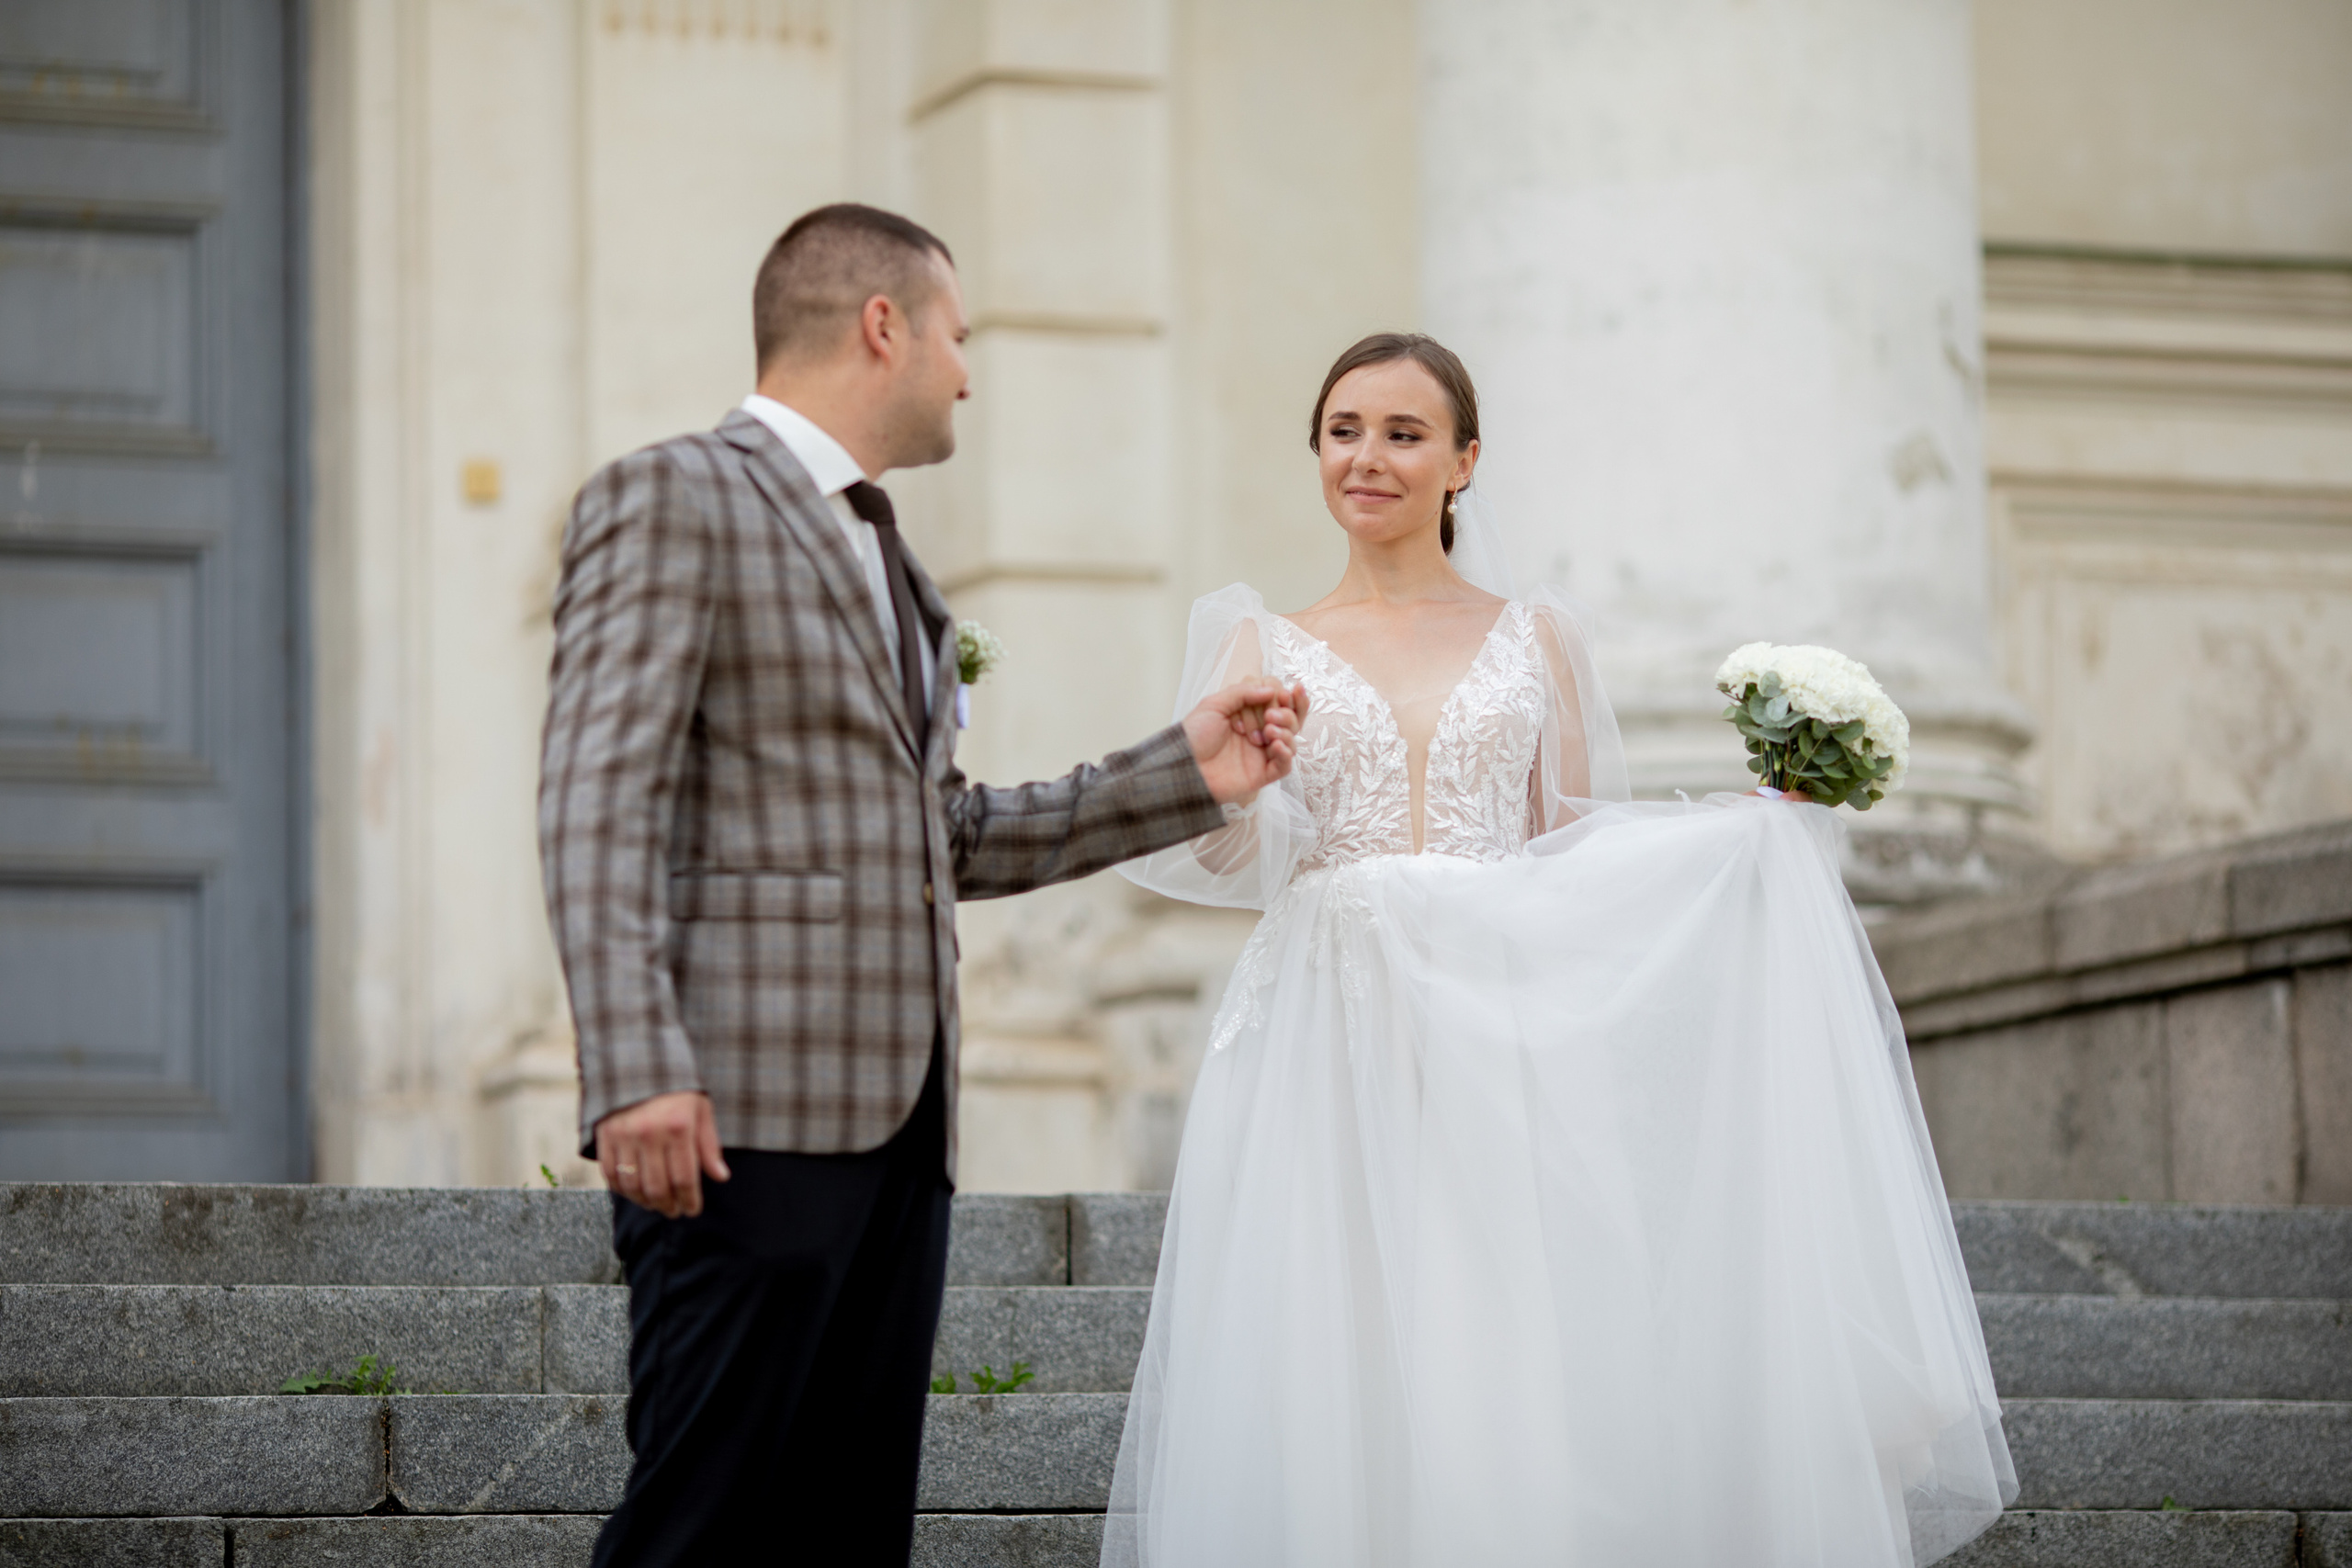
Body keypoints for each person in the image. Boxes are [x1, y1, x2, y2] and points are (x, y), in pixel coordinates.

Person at [1102, 333, 2018, 1567]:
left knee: (1504, 1346)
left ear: (1465, 461)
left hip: (1498, 1030)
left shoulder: (1539, 639)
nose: (1367, 457)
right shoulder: (1259, 645)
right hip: (1331, 1028)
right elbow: (1223, 864)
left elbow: (1568, 857)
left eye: (1404, 433)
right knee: (1339, 1347)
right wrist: (1234, 788)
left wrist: (1745, 843)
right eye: (1343, 429)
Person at [537, 202, 1306, 1568]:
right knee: (701, 1530)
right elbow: (599, 794)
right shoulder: (673, 495)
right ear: (880, 326)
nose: (968, 370)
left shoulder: (895, 567)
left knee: (845, 1541)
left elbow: (942, 837)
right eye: (958, 335)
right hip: (733, 1118)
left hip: (901, 1139)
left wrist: (1183, 771)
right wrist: (635, 1065)